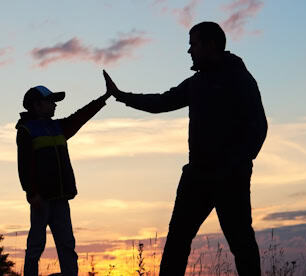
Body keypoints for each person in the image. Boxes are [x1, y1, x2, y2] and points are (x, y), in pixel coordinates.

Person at [103, 21, 267, 275]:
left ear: (210, 44)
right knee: (177, 240)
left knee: (241, 242)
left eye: (193, 44)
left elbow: (258, 127)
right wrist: (122, 95)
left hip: (230, 177)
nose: (189, 51)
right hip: (197, 175)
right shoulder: (196, 83)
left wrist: (236, 164)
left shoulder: (239, 78)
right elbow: (161, 102)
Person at [16, 85, 110, 276]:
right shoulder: (26, 130)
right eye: (51, 101)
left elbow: (80, 117)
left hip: (61, 198)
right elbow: (24, 166)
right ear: (37, 105)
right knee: (36, 246)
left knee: (67, 245)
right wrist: (32, 194)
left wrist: (103, 99)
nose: (55, 105)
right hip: (41, 199)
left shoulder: (58, 126)